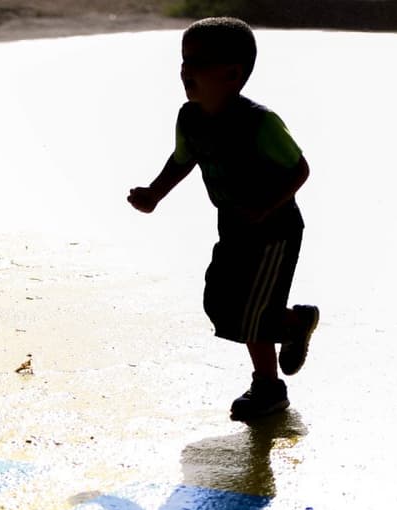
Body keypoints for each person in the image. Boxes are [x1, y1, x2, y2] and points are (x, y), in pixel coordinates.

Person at [128, 17, 318, 421]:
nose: (186, 70)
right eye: (184, 60)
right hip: (232, 225)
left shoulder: (259, 123)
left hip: (273, 231)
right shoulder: (190, 118)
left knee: (253, 312)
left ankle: (268, 388)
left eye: (198, 62)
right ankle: (294, 322)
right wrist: (154, 193)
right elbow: (183, 159)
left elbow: (299, 169)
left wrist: (265, 206)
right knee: (221, 302)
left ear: (232, 74)